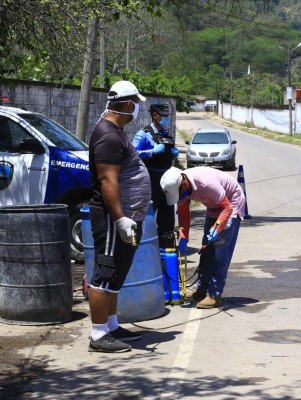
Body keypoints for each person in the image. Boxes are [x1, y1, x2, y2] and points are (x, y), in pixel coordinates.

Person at [87, 80, 151, 353]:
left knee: (116, 274)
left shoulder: (116, 131)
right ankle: (98, 335)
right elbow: (107, 181)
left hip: (125, 215)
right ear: (127, 104)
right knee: (106, 273)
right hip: (114, 217)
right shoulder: (109, 136)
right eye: (136, 103)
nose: (137, 108)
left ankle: (111, 325)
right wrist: (121, 218)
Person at [160, 166, 246, 309]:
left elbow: (227, 207)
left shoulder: (207, 184)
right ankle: (201, 290)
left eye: (179, 194)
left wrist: (217, 227)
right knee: (206, 251)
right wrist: (183, 236)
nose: (180, 198)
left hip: (231, 203)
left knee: (220, 252)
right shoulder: (181, 186)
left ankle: (214, 294)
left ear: (184, 184)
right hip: (214, 206)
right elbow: (183, 213)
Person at [131, 104, 179, 248]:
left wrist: (174, 153)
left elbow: (169, 153)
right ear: (155, 116)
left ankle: (166, 248)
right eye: (163, 116)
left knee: (168, 217)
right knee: (149, 215)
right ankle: (146, 248)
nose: (166, 119)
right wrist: (151, 151)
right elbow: (132, 154)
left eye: (167, 116)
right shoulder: (143, 133)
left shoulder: (166, 134)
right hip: (150, 179)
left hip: (167, 180)